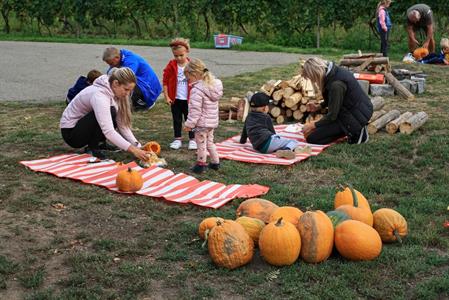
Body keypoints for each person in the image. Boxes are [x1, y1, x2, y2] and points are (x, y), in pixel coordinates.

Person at [60, 67, 148, 161]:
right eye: (126, 89)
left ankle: (100, 143)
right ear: (115, 83)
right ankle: (93, 148)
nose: (127, 94)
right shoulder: (100, 96)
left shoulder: (114, 91)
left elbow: (122, 124)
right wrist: (133, 150)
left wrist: (137, 145)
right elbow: (108, 132)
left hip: (82, 126)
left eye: (130, 90)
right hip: (71, 134)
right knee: (110, 112)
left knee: (111, 113)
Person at [301, 57, 373, 145]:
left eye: (312, 79)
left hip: (353, 116)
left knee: (312, 138)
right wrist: (319, 106)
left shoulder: (336, 85)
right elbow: (334, 99)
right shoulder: (333, 73)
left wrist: (313, 125)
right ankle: (350, 129)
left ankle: (357, 131)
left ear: (316, 74)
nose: (314, 82)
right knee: (313, 132)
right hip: (351, 111)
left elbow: (332, 116)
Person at [183, 58, 222, 174]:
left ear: (194, 74)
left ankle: (200, 165)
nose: (187, 80)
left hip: (202, 124)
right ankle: (215, 162)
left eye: (188, 77)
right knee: (210, 142)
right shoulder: (212, 86)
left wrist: (189, 124)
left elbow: (195, 110)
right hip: (211, 122)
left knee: (201, 144)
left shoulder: (197, 90)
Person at [240, 92, 301, 160]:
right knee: (292, 141)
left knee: (278, 143)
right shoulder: (266, 117)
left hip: (258, 147)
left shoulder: (248, 117)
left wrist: (242, 141)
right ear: (265, 108)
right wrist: (278, 139)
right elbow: (272, 133)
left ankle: (280, 149)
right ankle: (287, 150)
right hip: (268, 142)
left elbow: (244, 133)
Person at [163, 38, 197, 150]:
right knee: (176, 119)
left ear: (187, 51)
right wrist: (167, 96)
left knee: (190, 119)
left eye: (181, 55)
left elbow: (198, 81)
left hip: (189, 99)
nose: (178, 58)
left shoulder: (192, 65)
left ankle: (193, 139)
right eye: (175, 56)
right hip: (175, 99)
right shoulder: (171, 65)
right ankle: (177, 139)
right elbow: (165, 81)